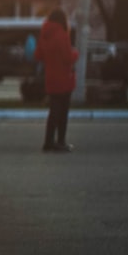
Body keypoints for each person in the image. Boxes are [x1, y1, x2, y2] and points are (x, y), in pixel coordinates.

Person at [34, 8, 79, 152]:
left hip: (51, 78)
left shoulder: (44, 35)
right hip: (64, 78)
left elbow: (38, 55)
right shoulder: (62, 35)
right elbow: (67, 58)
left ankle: (48, 142)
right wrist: (75, 53)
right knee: (63, 112)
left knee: (53, 111)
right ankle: (61, 142)